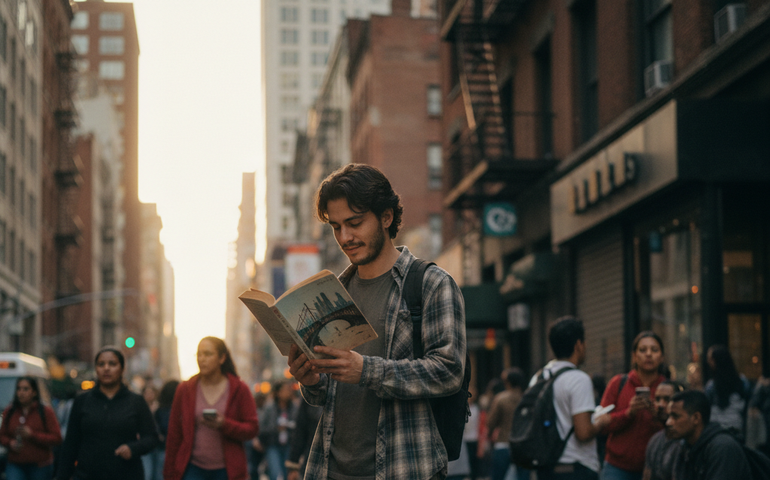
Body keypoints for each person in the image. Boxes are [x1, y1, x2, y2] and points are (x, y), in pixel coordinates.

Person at [287, 163, 467, 480]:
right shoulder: (333, 293)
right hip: (330, 470)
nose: (345, 237)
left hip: (404, 469)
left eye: (354, 223)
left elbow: (449, 371)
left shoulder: (431, 284)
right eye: (336, 227)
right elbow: (327, 396)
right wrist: (311, 380)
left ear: (386, 217)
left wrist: (366, 370)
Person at [56, 346, 159, 480]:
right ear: (96, 369)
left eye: (112, 364)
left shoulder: (136, 401)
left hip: (126, 474)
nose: (106, 368)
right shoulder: (82, 401)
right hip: (87, 475)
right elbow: (71, 444)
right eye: (101, 364)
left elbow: (152, 437)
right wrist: (61, 476)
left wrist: (133, 448)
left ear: (122, 369)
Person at [164, 337, 259, 480]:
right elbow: (174, 434)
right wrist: (169, 474)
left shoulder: (239, 389)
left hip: (227, 471)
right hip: (192, 469)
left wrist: (224, 424)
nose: (202, 359)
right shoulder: (185, 389)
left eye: (208, 354)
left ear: (222, 358)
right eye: (199, 354)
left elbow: (252, 428)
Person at [532, 316, 609, 480]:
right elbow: (583, 432)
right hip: (576, 468)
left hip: (546, 468)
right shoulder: (579, 379)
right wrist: (601, 422)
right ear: (578, 345)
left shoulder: (539, 377)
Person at [599, 331, 667, 480]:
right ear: (634, 356)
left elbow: (676, 427)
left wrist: (657, 415)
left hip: (656, 467)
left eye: (654, 350)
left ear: (662, 357)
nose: (648, 354)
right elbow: (601, 425)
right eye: (642, 350)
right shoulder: (618, 383)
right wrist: (628, 413)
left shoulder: (667, 388)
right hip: (616, 467)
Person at [667, 390, 751, 479]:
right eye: (669, 416)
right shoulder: (685, 447)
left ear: (696, 418)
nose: (668, 422)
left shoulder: (722, 447)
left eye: (675, 416)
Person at [0, 377, 62, 480]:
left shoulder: (45, 412)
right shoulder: (10, 412)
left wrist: (32, 435)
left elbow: (57, 438)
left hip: (40, 466)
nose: (21, 393)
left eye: (25, 389)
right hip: (15, 464)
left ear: (34, 392)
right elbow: (2, 435)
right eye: (19, 389)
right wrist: (10, 442)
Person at [703, 345, 750, 441]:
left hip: (717, 431)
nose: (708, 362)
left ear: (715, 361)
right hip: (737, 429)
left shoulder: (711, 386)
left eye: (710, 359)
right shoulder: (743, 382)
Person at [487, 368, 525, 480]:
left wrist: (489, 436)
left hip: (503, 443)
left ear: (507, 382)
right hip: (522, 444)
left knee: (498, 476)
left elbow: (491, 422)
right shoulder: (526, 398)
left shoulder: (500, 399)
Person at [641, 381, 683, 480]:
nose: (661, 405)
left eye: (667, 399)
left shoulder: (686, 443)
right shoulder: (655, 440)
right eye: (657, 399)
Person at [259, 380, 297, 480]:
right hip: (273, 445)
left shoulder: (294, 407)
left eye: (289, 390)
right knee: (275, 473)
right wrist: (276, 429)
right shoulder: (269, 408)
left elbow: (298, 427)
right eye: (284, 390)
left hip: (288, 445)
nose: (288, 392)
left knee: (286, 473)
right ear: (278, 392)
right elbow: (262, 428)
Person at [285, 399, 322, 480]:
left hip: (340, 463)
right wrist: (293, 465)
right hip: (313, 456)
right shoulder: (311, 396)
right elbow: (300, 431)